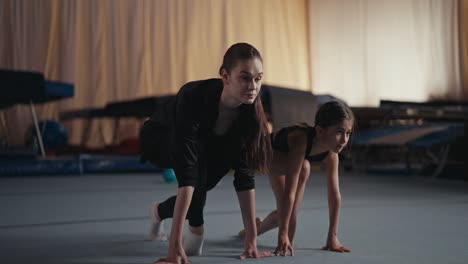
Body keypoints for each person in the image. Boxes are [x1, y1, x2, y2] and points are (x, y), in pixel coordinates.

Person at [139, 43, 273, 264]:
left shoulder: (250, 119)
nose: (253, 86)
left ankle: (158, 211)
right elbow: (188, 173)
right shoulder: (193, 96)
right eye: (245, 78)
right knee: (196, 181)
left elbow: (244, 178)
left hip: (209, 144)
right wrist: (174, 247)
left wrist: (251, 239)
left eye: (258, 78)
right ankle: (195, 225)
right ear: (225, 75)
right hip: (161, 136)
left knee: (194, 245)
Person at [238, 101, 354, 256]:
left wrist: (332, 237)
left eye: (348, 133)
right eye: (339, 132)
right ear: (320, 131)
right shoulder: (300, 139)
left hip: (283, 160)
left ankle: (251, 230)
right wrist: (282, 234)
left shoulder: (332, 153)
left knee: (284, 215)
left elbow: (335, 195)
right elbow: (290, 192)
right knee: (303, 169)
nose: (344, 140)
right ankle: (257, 230)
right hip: (263, 154)